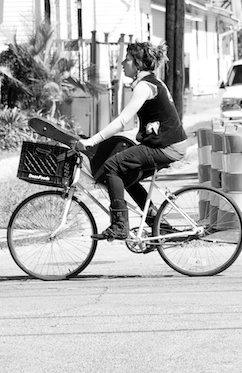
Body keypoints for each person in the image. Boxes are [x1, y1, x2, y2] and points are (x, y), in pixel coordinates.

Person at [78, 42, 187, 240]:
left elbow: (121, 121)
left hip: (166, 147)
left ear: (137, 64)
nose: (122, 63)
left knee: (112, 166)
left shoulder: (144, 87)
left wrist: (91, 141)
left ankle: (119, 225)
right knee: (127, 177)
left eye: (127, 59)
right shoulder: (153, 82)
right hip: (169, 144)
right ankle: (159, 227)